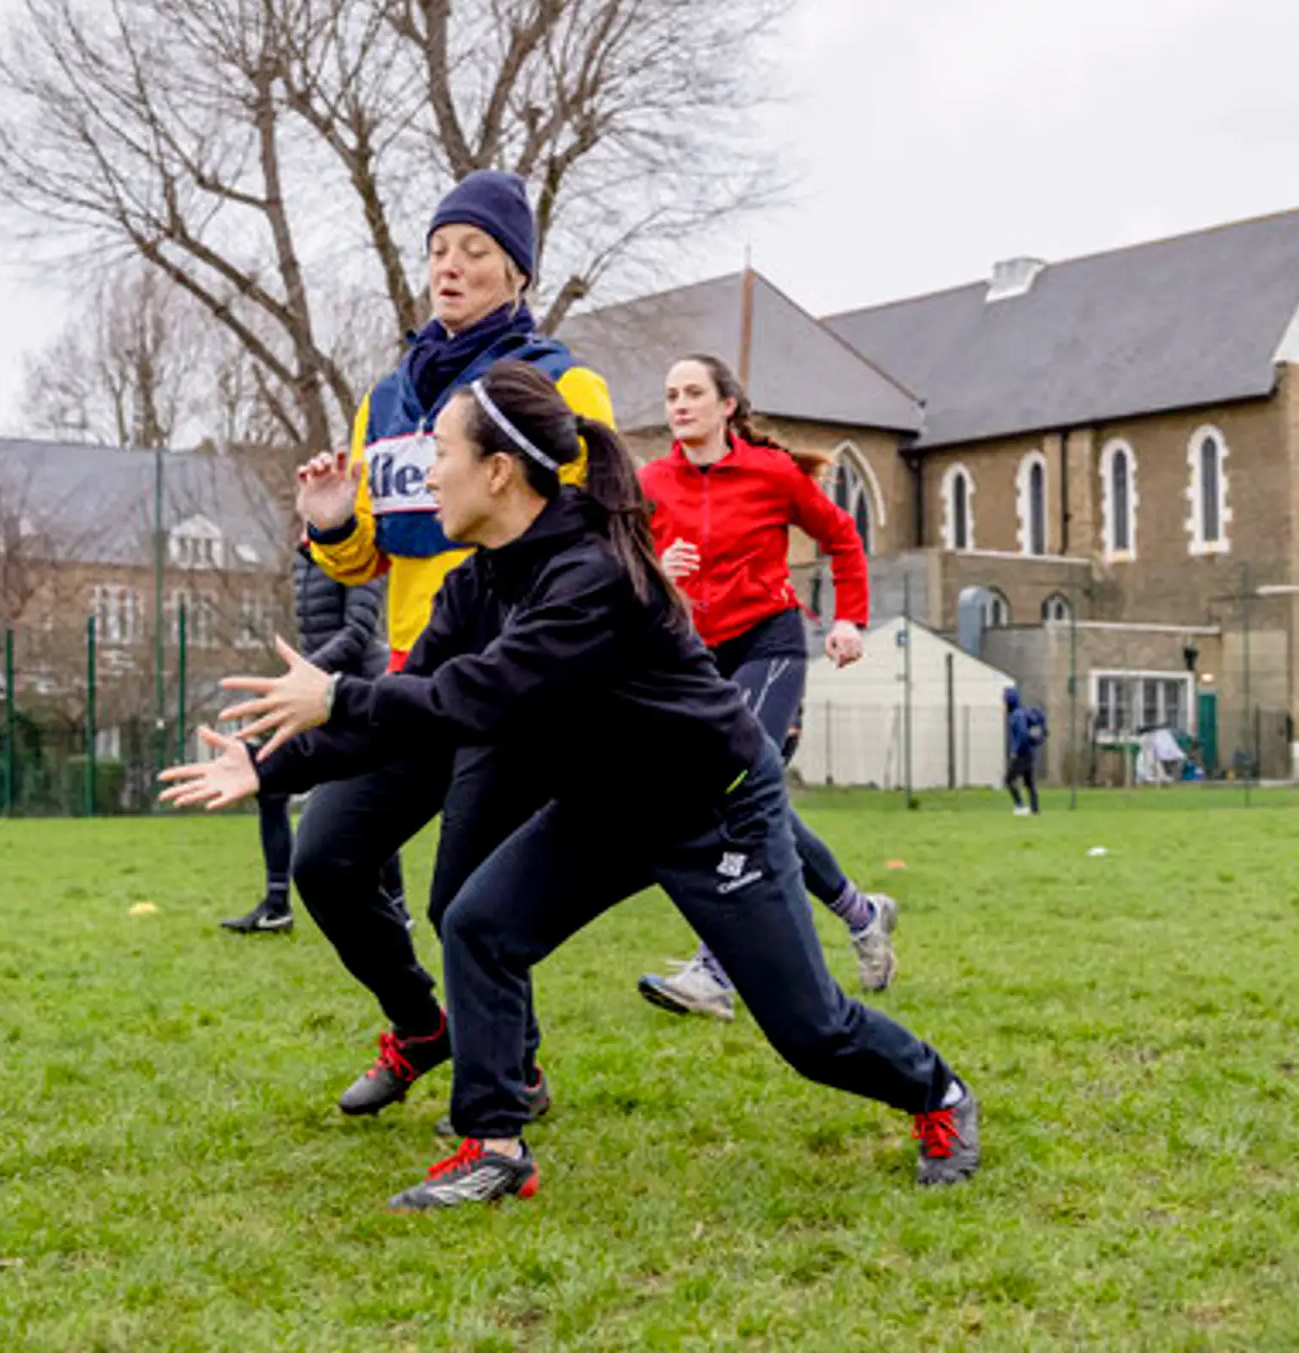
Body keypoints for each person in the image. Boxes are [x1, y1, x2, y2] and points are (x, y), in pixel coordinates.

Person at [164, 360, 980, 1210]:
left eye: (441, 451)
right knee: (478, 923)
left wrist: (336, 691)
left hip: (713, 807)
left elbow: (471, 697)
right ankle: (493, 1144)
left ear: (497, 471)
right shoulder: (475, 581)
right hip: (607, 805)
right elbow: (401, 712)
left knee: (810, 1032)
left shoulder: (590, 576)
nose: (424, 471)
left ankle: (940, 1093)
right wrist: (265, 765)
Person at [284, 169, 613, 1117]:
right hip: (410, 682)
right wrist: (332, 521)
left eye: (474, 250)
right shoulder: (388, 395)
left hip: (509, 685)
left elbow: (584, 534)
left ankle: (515, 1071)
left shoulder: (563, 382)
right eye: (438, 249)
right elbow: (363, 561)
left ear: (518, 273)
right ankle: (423, 1026)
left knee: (464, 897)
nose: (450, 266)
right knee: (325, 859)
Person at [634, 355, 899, 1023]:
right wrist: (658, 566)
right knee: (754, 805)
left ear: (727, 404)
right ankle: (861, 913)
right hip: (694, 655)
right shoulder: (651, 483)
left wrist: (848, 618)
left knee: (731, 785)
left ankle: (715, 970)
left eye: (693, 392)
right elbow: (623, 568)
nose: (680, 404)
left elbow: (842, 537)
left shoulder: (771, 473)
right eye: (670, 395)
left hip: (769, 642)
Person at [220, 545, 402, 934]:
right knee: (270, 789)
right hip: (313, 692)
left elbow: (358, 633)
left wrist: (303, 674)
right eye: (303, 479)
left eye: (318, 477)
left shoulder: (360, 548)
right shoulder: (305, 554)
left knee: (370, 797)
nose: (309, 483)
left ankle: (398, 908)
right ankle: (276, 904)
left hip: (355, 691)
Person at [1005, 687, 1044, 815]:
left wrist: (1014, 751)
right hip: (1030, 752)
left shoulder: (1016, 715)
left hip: (1021, 754)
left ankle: (1020, 805)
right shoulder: (1023, 712)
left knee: (1009, 780)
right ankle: (1035, 808)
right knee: (1029, 783)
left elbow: (1021, 734)